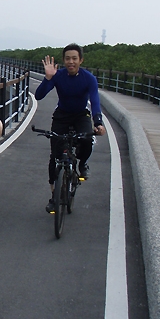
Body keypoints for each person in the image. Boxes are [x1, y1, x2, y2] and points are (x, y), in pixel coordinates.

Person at [35, 43, 106, 213]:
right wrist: (48, 78)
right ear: (63, 60)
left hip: (81, 115)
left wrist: (98, 122)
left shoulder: (89, 78)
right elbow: (38, 95)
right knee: (55, 155)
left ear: (81, 60)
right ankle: (54, 196)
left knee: (87, 140)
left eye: (74, 58)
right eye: (67, 58)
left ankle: (83, 164)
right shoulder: (58, 76)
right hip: (62, 115)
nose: (71, 62)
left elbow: (95, 102)